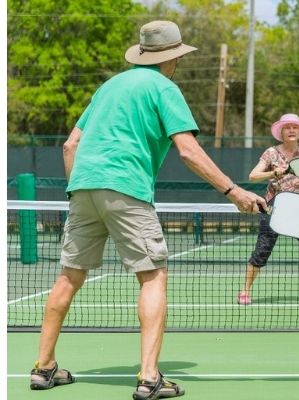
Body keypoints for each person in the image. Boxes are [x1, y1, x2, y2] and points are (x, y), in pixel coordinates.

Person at [29, 21, 266, 399]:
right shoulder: (164, 88)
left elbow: (70, 146)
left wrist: (78, 190)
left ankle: (43, 367)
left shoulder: (109, 86)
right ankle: (150, 377)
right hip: (126, 188)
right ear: (172, 58)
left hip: (82, 188)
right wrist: (233, 190)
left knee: (69, 277)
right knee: (153, 277)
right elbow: (187, 150)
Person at [236, 113, 299, 305]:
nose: (291, 130)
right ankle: (245, 291)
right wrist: (273, 172)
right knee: (262, 250)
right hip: (274, 208)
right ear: (281, 131)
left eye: (295, 127)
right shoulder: (271, 153)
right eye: (287, 127)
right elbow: (252, 176)